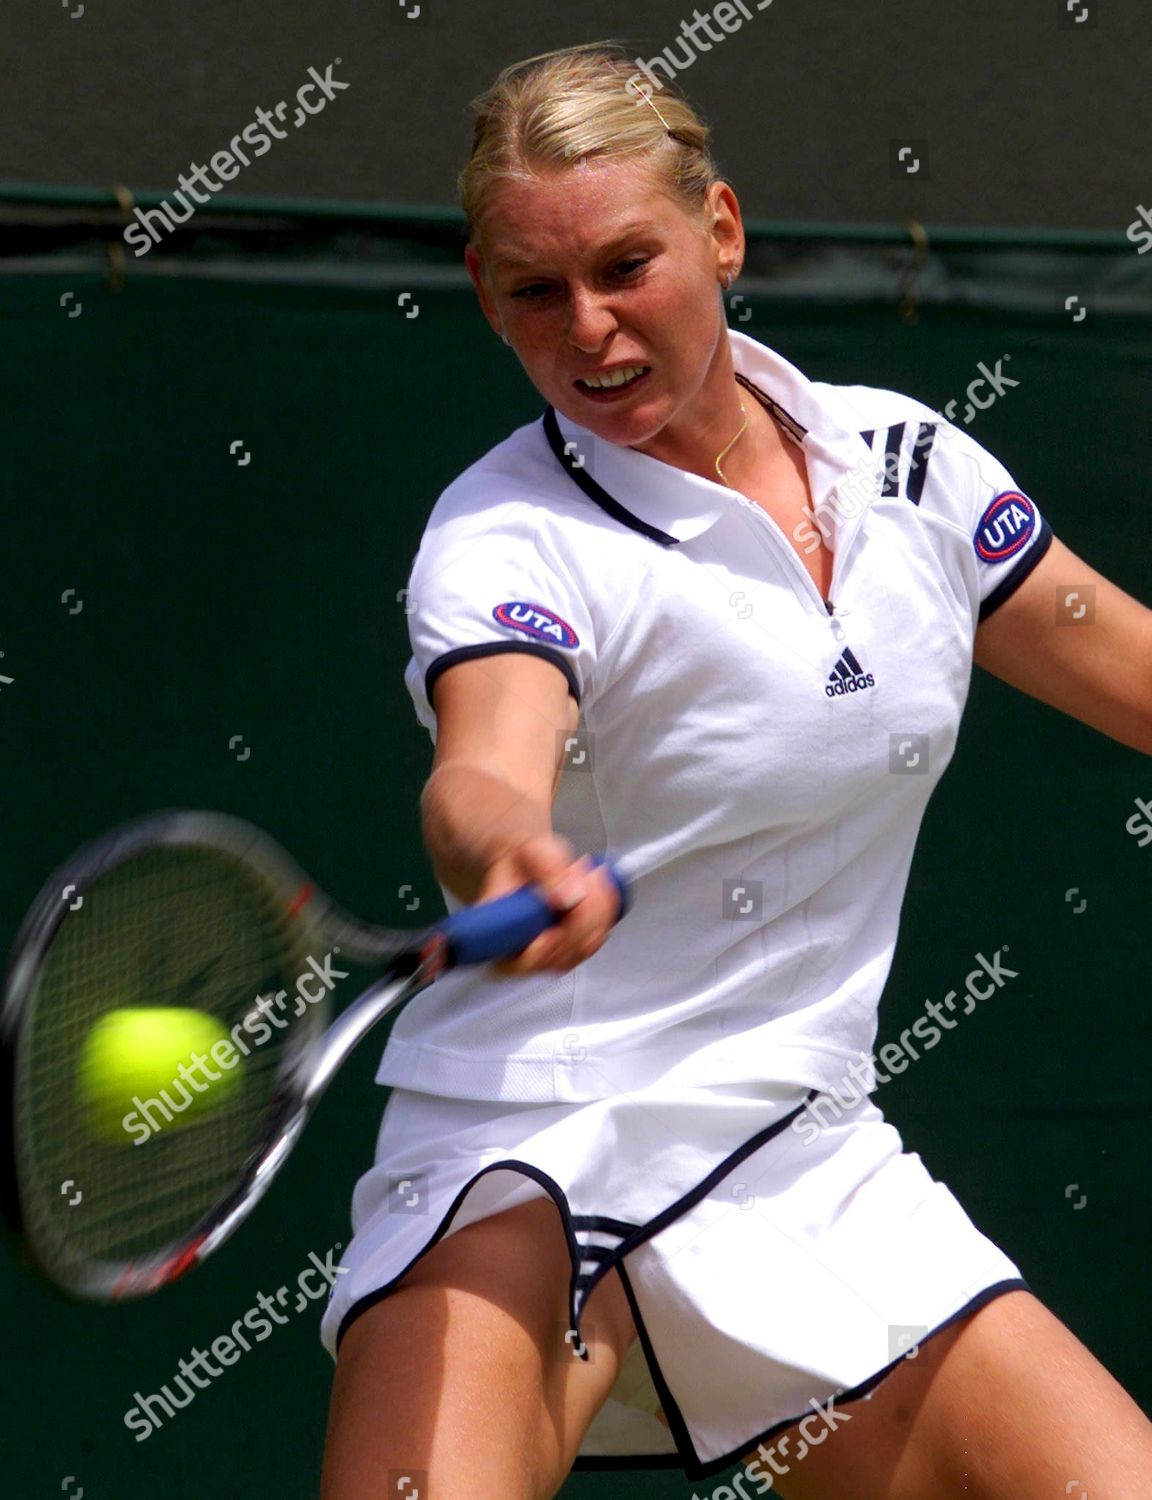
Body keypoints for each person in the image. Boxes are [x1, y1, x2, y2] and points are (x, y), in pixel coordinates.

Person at [318, 40, 1152, 1499]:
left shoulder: (913, 472)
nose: (591, 330)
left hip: (799, 1143)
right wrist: (507, 844)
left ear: (723, 229)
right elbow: (483, 766)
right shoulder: (504, 533)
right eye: (535, 291)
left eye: (628, 265)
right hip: (532, 1136)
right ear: (482, 289)